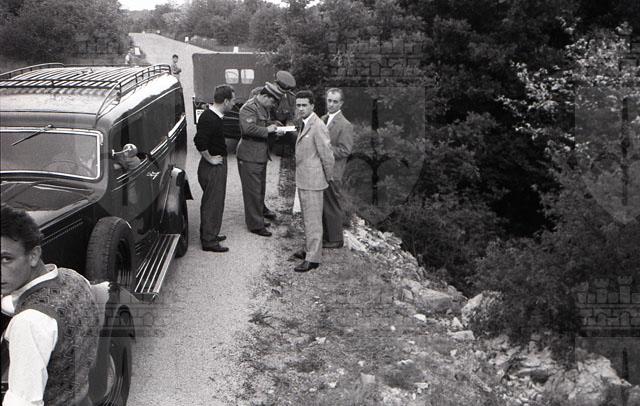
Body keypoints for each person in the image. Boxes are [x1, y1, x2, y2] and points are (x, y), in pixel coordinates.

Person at [1, 204, 100, 406]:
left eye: (6, 259)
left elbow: (23, 402)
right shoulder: (74, 278)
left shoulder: (28, 323)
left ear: (33, 255)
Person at [292, 90, 334, 272]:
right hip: (305, 178)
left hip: (313, 180)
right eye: (298, 105)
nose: (301, 108)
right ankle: (309, 249)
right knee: (307, 218)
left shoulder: (318, 126)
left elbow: (327, 155)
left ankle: (313, 259)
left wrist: (328, 177)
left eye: (304, 105)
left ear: (312, 106)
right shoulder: (304, 123)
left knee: (313, 221)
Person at [236, 82, 285, 237]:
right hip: (249, 155)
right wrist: (268, 129)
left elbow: (262, 122)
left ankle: (258, 218)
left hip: (259, 154)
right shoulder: (249, 108)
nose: (273, 105)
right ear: (264, 96)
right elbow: (248, 129)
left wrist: (274, 126)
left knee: (259, 189)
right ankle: (255, 225)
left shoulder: (262, 107)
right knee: (252, 192)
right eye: (272, 101)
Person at [194, 85, 235, 253]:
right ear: (225, 101)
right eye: (232, 100)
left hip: (216, 165)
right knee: (212, 203)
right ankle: (209, 241)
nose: (234, 103)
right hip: (213, 168)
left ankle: (210, 233)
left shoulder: (214, 116)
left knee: (215, 202)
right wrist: (210, 158)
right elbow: (199, 141)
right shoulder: (209, 118)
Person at [321, 88, 354, 248]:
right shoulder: (323, 118)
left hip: (334, 172)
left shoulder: (345, 125)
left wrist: (325, 148)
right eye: (329, 100)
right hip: (321, 170)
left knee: (332, 205)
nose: (331, 104)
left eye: (335, 101)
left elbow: (345, 150)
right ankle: (327, 236)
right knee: (324, 204)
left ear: (341, 103)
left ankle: (336, 240)